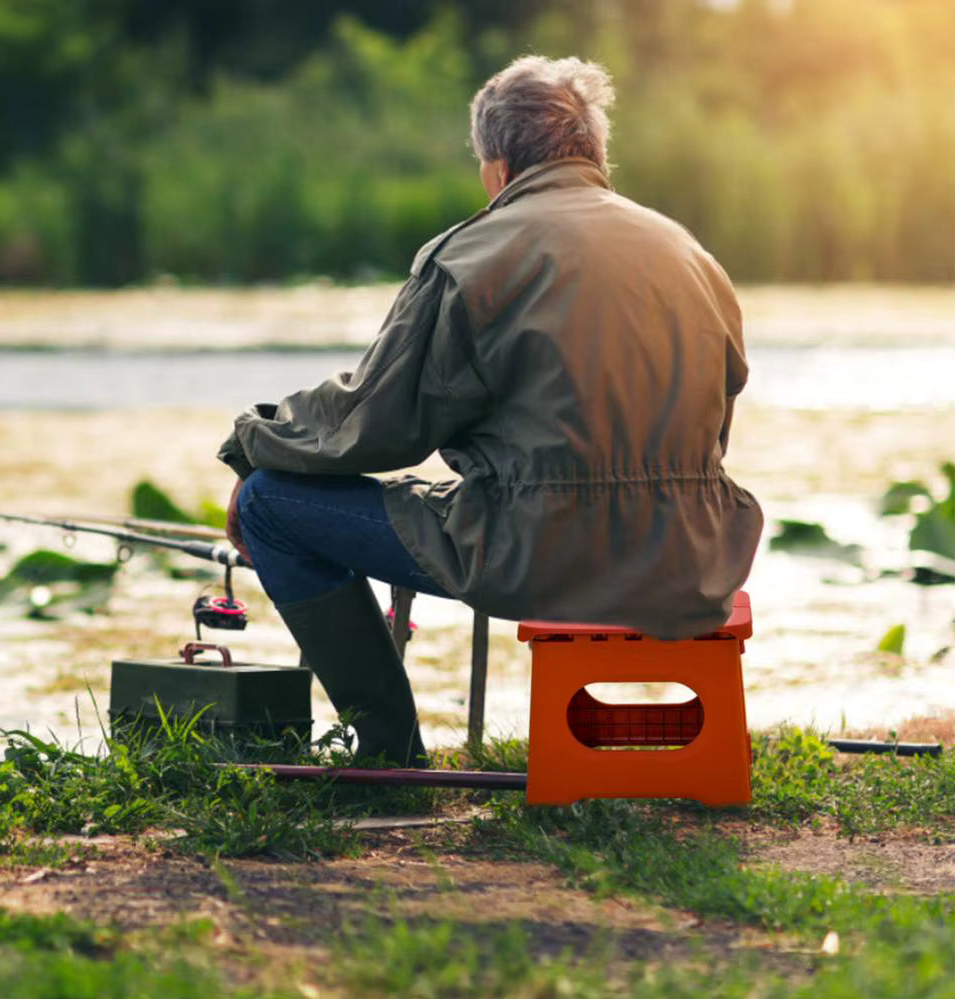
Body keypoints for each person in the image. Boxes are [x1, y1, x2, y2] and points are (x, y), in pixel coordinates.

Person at [218, 55, 763, 767]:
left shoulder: (473, 255)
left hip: (541, 555)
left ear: (497, 167)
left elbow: (372, 424)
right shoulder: (690, 253)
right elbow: (716, 416)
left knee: (268, 506)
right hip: (693, 558)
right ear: (596, 153)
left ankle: (388, 751)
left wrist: (251, 441)